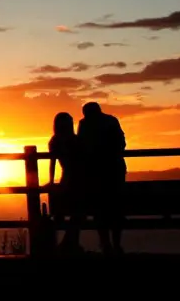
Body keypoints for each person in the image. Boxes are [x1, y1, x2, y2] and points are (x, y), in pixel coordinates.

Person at [77, 101, 127, 254]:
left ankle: (106, 244)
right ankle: (116, 245)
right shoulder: (112, 121)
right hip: (115, 172)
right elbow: (122, 143)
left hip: (95, 174)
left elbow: (80, 147)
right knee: (115, 210)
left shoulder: (84, 124)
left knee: (99, 211)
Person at [46, 111, 84, 253]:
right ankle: (70, 243)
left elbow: (52, 163)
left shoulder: (54, 141)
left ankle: (69, 243)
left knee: (76, 211)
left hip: (67, 181)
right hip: (81, 181)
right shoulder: (76, 140)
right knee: (78, 212)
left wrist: (51, 182)